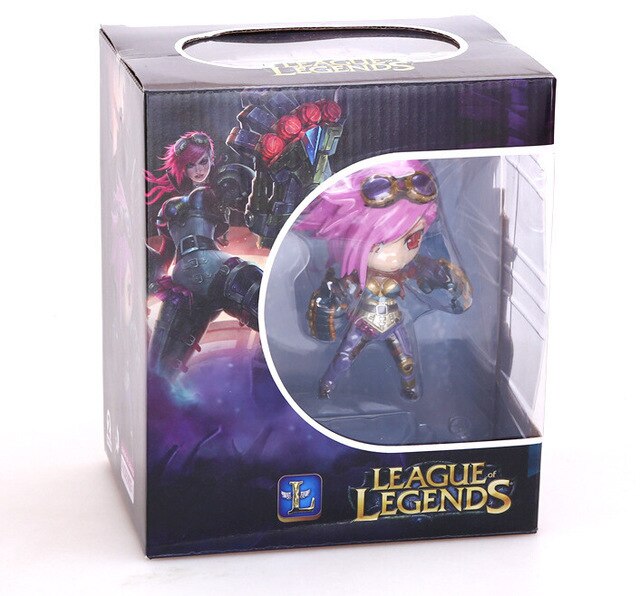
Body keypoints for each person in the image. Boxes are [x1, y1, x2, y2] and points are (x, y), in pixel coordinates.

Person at [298, 160, 472, 400]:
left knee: (406, 361)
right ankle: (327, 384)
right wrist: (329, 305)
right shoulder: (355, 279)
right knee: (344, 357)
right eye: (379, 246)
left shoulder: (406, 271)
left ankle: (410, 388)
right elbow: (337, 295)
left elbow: (428, 276)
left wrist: (445, 280)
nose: (396, 257)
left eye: (412, 240)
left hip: (394, 323)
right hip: (362, 323)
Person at [145, 131, 261, 379]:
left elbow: (248, 194)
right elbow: (166, 257)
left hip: (209, 272)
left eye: (203, 162)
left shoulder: (216, 190)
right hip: (189, 285)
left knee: (268, 310)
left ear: (211, 160)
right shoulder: (172, 206)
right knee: (159, 372)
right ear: (182, 168)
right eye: (191, 165)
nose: (198, 169)